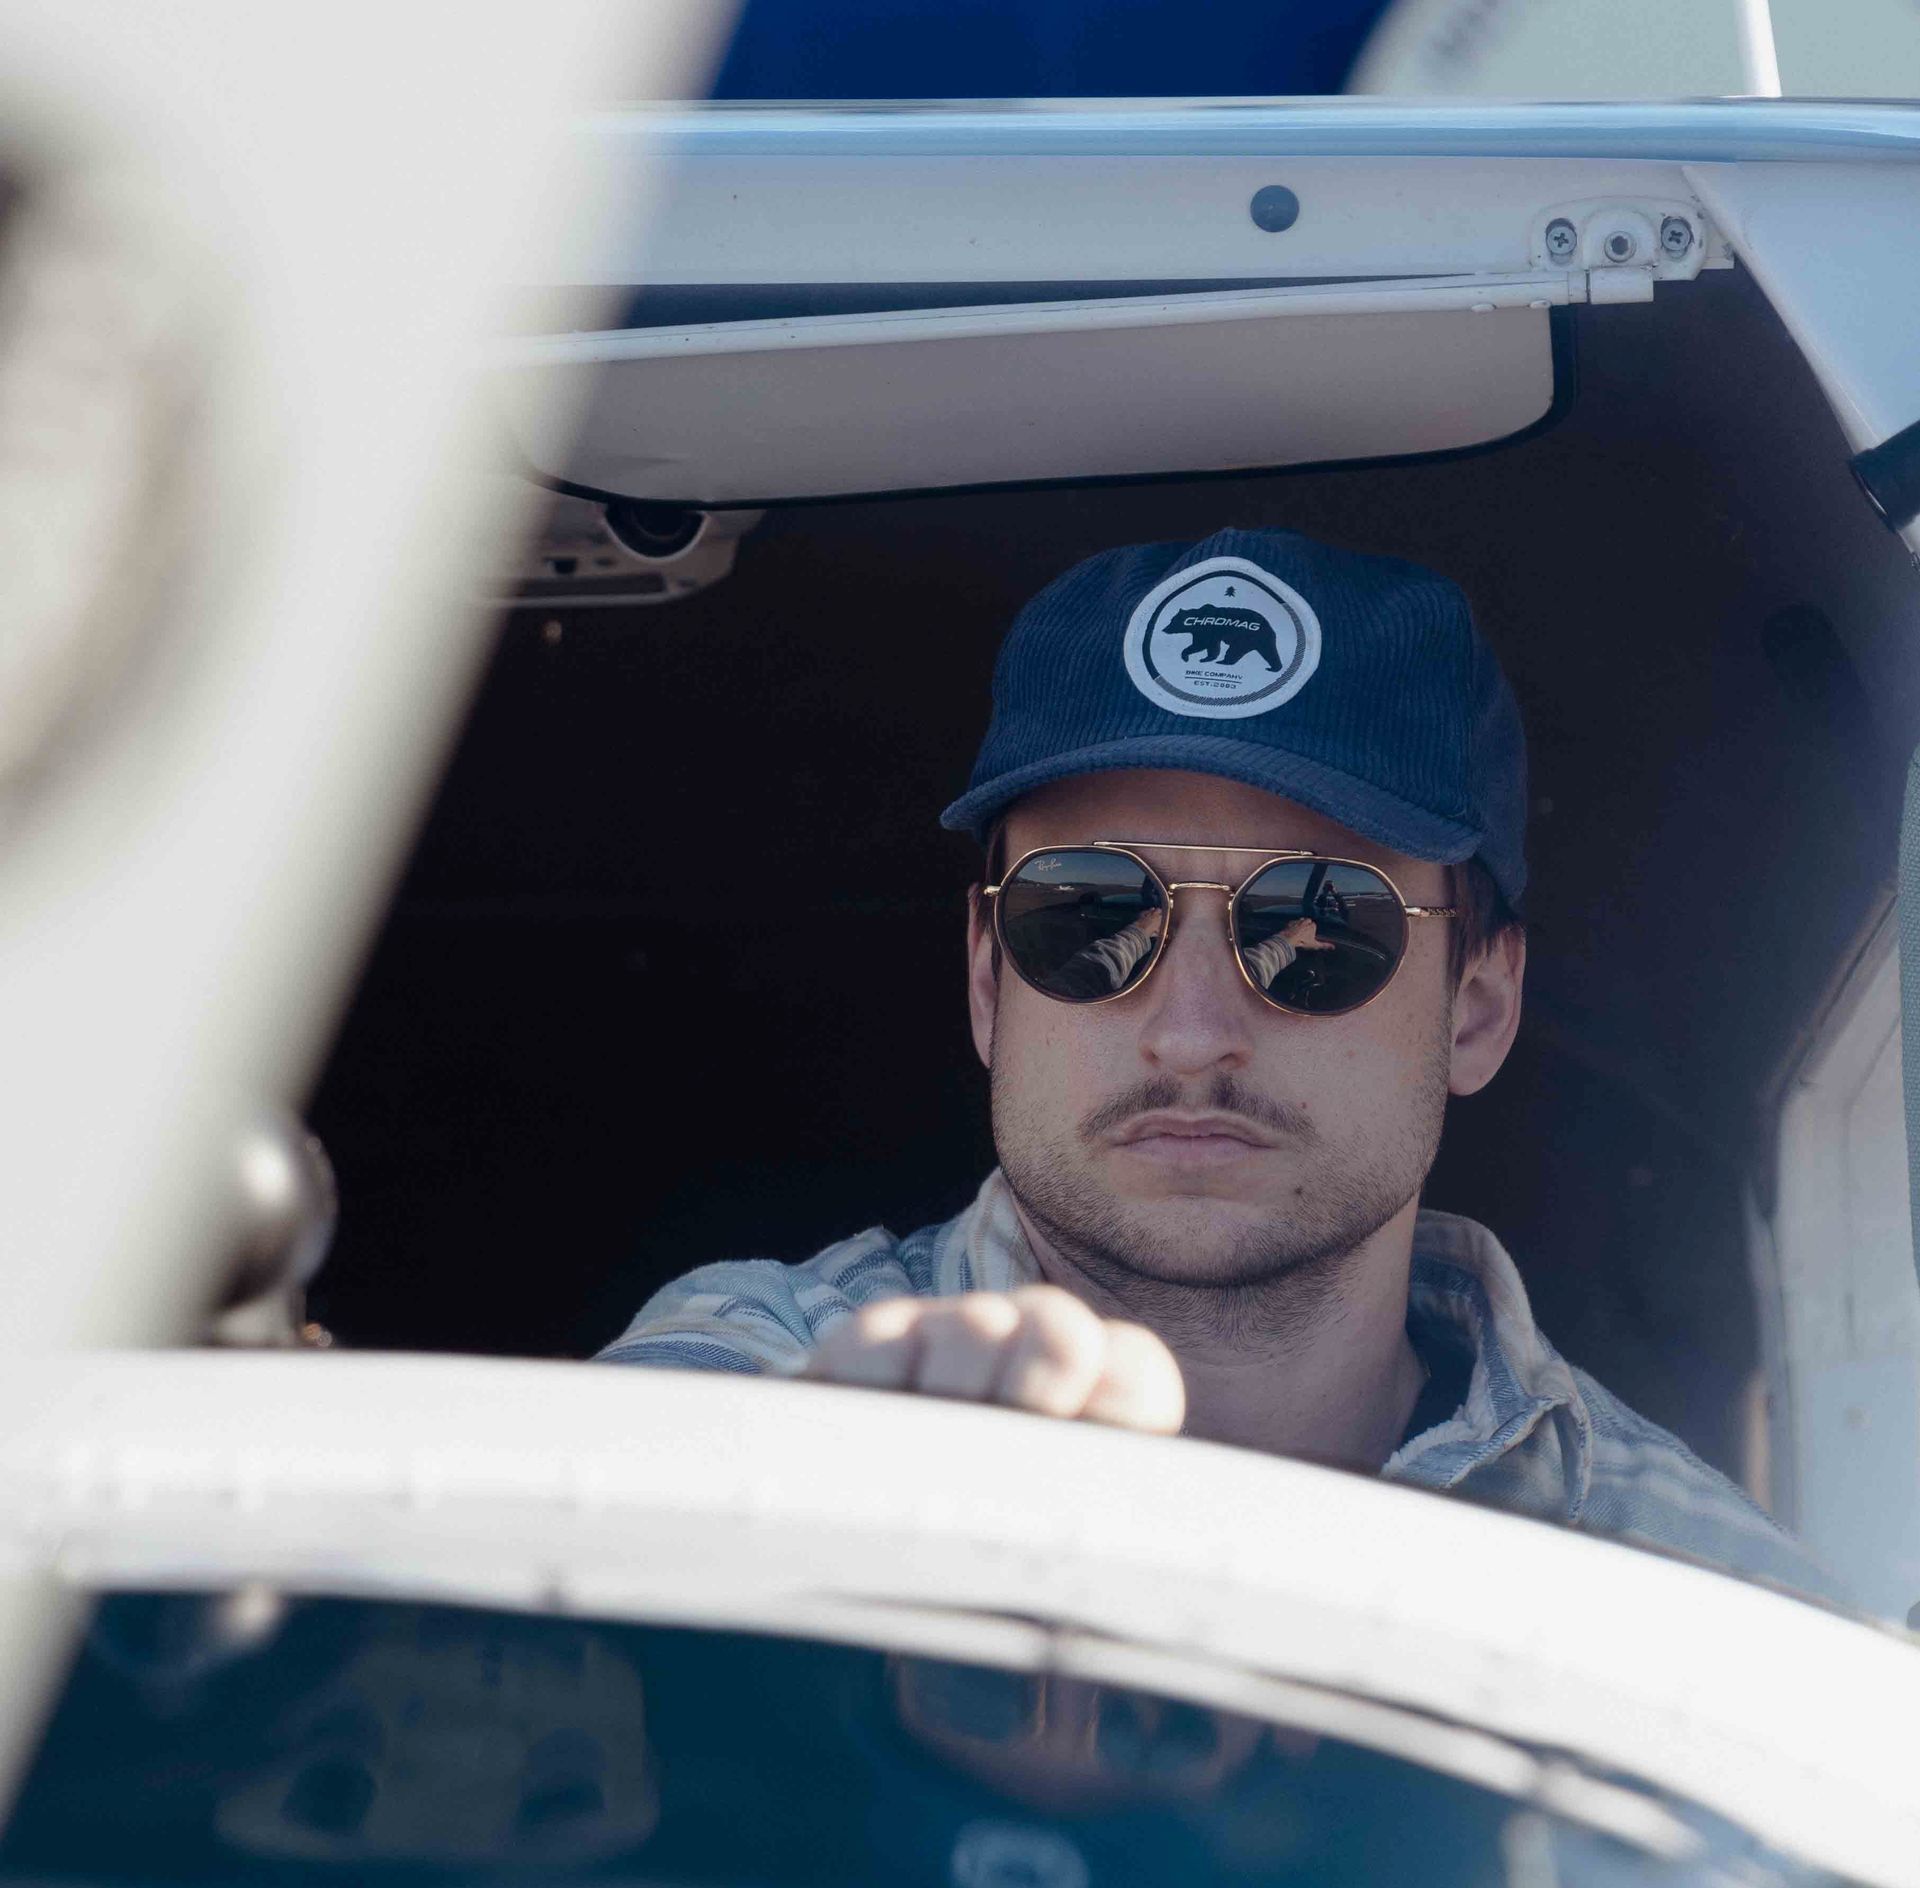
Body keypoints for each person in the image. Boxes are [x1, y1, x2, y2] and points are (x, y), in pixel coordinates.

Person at [602, 527, 1821, 1596]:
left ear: (1478, 1008)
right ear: (986, 979)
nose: (1189, 1032)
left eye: (1319, 925)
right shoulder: (752, 1379)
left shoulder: (1701, 1591)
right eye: (1087, 912)